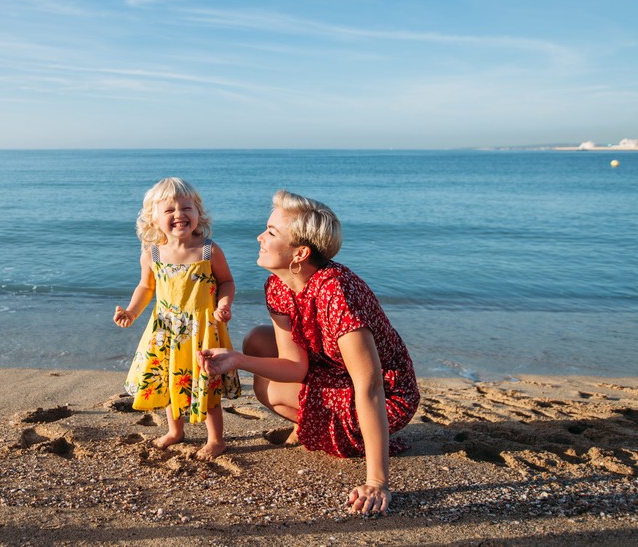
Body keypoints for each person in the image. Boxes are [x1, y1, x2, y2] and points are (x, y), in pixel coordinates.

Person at [199, 190, 419, 515]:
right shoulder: (278, 284)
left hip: (386, 396)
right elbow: (295, 366)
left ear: (299, 252)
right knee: (257, 340)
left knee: (266, 388)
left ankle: (333, 434)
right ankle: (313, 425)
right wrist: (238, 361)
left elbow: (370, 385)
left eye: (271, 232)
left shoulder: (337, 293)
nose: (259, 236)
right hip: (330, 372)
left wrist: (377, 481)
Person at [114, 177, 241, 459]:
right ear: (153, 218)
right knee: (170, 382)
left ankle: (216, 438)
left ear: (199, 214)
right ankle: (175, 431)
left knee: (205, 382)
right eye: (169, 210)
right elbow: (146, 287)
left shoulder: (209, 250)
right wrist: (132, 312)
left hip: (202, 329)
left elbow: (227, 282)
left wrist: (224, 305)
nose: (179, 215)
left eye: (187, 207)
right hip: (166, 330)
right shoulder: (153, 253)